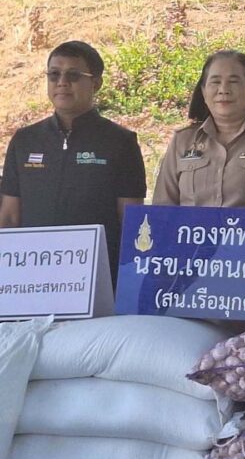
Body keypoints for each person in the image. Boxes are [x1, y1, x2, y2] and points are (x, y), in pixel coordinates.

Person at [0, 41, 147, 284]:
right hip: (30, 279)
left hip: (97, 279)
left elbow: (130, 221)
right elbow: (9, 218)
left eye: (74, 75)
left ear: (96, 83)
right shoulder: (25, 140)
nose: (62, 82)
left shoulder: (121, 142)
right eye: (54, 75)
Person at [152, 50, 245, 210]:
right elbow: (162, 211)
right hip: (190, 228)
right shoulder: (182, 141)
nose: (223, 89)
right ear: (203, 92)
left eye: (234, 82)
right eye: (215, 82)